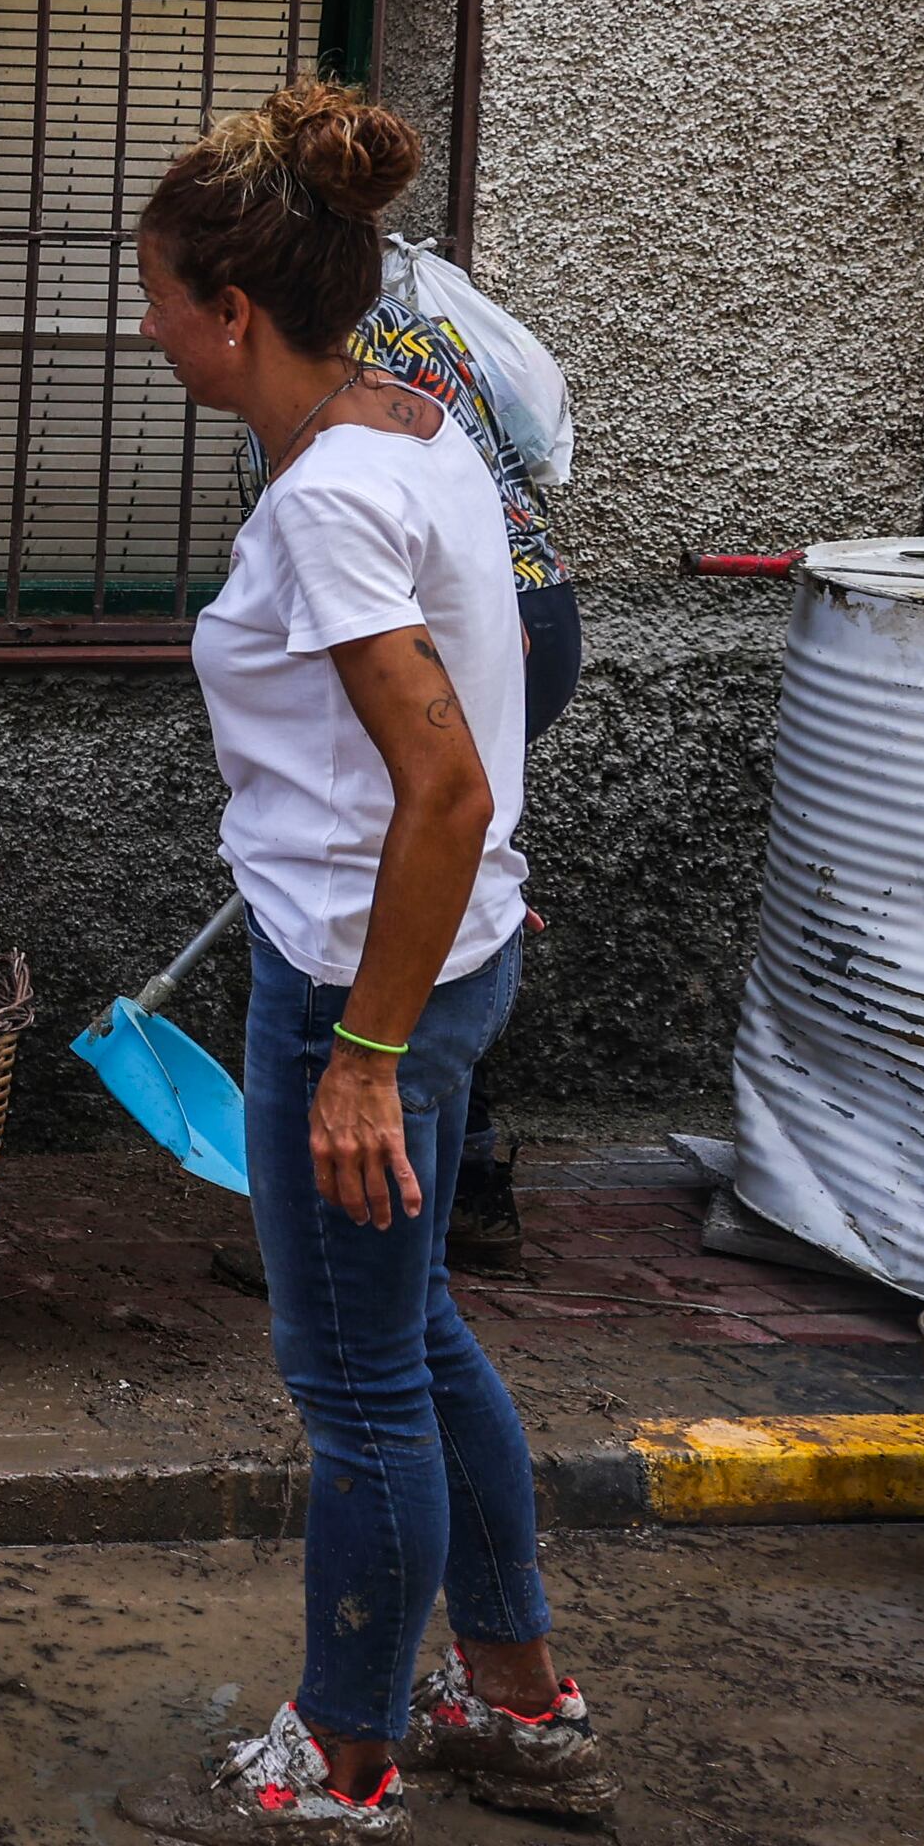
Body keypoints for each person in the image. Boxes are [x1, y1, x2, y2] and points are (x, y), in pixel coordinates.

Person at [118, 81, 609, 1846]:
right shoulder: (411, 436)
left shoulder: (339, 495)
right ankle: (517, 1690)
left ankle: (346, 1755)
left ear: (231, 312)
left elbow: (448, 779)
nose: (145, 320)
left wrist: (361, 1053)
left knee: (356, 1385)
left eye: (160, 291)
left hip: (357, 986)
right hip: (437, 948)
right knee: (413, 1331)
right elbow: (474, 719)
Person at [344, 249, 581, 1271]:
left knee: (419, 881)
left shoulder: (331, 357)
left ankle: (388, 1203)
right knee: (447, 880)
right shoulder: (406, 329)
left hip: (480, 622)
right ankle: (457, 1185)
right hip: (521, 610)